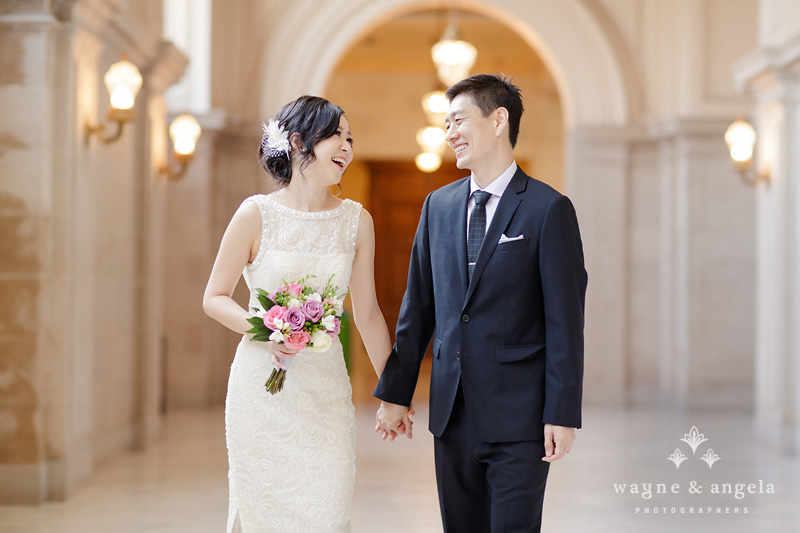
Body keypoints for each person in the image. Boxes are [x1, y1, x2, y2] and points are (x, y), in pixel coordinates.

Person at [374, 74, 588, 532]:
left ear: (498, 120)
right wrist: (395, 393)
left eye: (458, 120)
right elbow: (418, 310)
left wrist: (562, 414)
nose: (449, 133)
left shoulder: (548, 210)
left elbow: (565, 322)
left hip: (521, 417)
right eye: (445, 123)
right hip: (450, 416)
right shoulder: (438, 206)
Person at [203, 95, 410, 532]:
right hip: (261, 391)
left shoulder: (357, 221)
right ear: (298, 142)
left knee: (326, 511)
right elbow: (215, 296)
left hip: (325, 392)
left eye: (350, 138)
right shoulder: (255, 213)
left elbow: (368, 313)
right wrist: (264, 328)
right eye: (336, 134)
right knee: (263, 511)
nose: (347, 147)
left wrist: (395, 393)